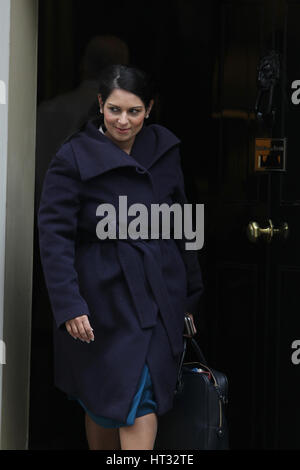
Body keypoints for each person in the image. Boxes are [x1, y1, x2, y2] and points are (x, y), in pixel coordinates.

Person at [37, 64, 204, 450]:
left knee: (139, 399)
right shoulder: (73, 157)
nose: (123, 121)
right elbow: (54, 235)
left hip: (158, 295)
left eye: (133, 111)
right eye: (114, 109)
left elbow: (184, 226)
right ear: (100, 104)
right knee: (102, 403)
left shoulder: (165, 149)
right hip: (101, 301)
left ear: (149, 108)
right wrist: (68, 304)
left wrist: (190, 295)